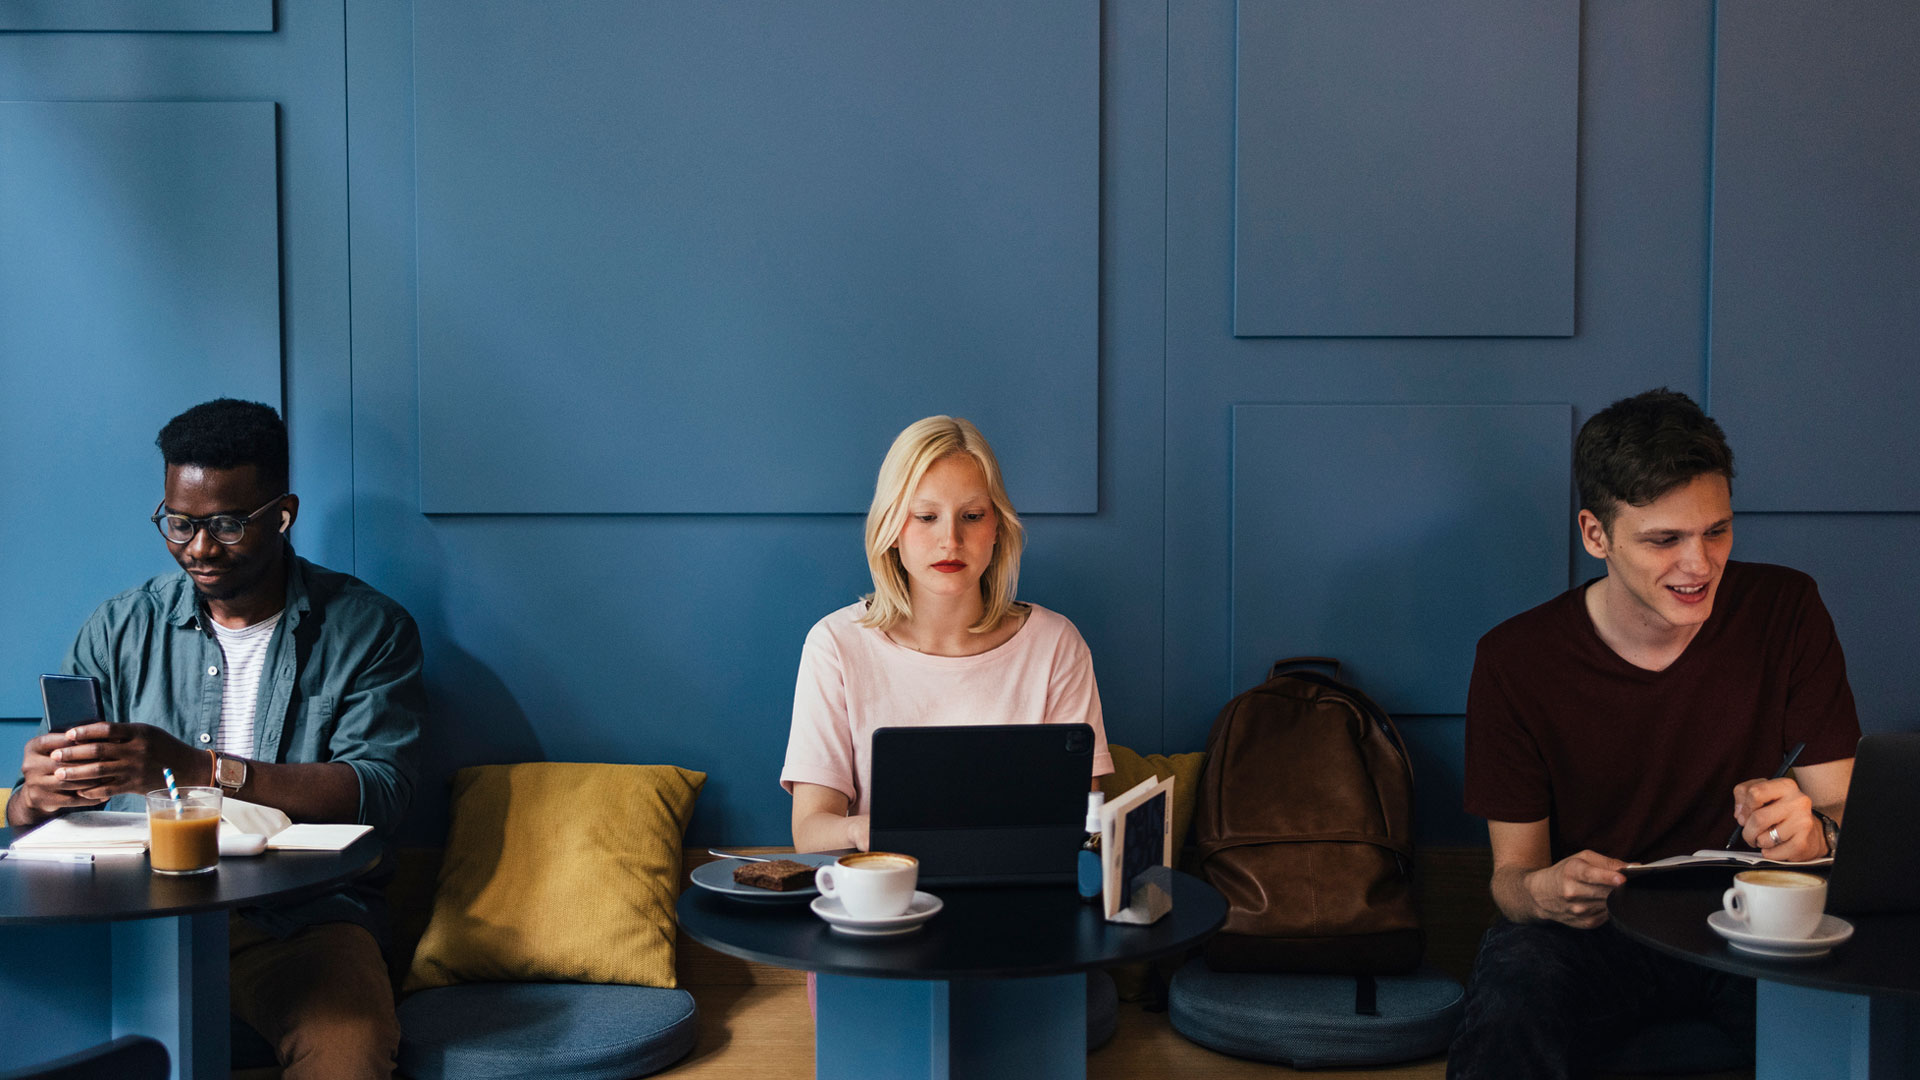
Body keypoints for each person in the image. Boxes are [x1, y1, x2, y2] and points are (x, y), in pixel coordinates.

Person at [7, 399, 425, 1080]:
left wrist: (197, 767)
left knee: (347, 1053)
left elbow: (379, 793)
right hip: (128, 916)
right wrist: (33, 799)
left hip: (297, 919)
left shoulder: (370, 629)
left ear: (282, 514)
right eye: (179, 523)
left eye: (227, 524)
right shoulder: (117, 629)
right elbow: (47, 807)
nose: (198, 548)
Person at [1449, 388, 1859, 1079]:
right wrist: (1546, 888)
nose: (1699, 566)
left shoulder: (1786, 609)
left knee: (1837, 1019)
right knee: (1517, 983)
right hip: (1595, 934)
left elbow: (1845, 821)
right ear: (1594, 535)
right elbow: (1511, 880)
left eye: (1717, 531)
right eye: (1664, 539)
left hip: (1746, 920)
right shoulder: (1515, 659)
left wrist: (1816, 831)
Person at [782, 414, 1113, 853]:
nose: (951, 540)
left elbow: (1081, 820)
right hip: (890, 895)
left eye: (972, 516)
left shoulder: (1055, 645)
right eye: (926, 516)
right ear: (891, 530)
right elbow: (808, 832)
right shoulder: (835, 645)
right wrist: (864, 829)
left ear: (997, 527)